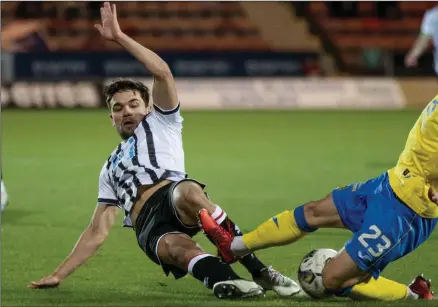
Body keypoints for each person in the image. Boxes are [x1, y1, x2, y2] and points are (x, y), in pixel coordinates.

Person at [201, 1, 438, 302]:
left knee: (332, 280)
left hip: (407, 212)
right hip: (391, 184)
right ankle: (235, 246)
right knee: (313, 211)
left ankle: (413, 295)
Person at [28, 2, 301, 300]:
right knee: (178, 250)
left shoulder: (163, 123)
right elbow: (98, 229)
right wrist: (59, 273)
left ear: (147, 108)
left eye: (134, 104)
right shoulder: (109, 168)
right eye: (118, 108)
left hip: (173, 197)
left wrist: (119, 37)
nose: (127, 111)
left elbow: (163, 73)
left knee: (189, 192)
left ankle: (257, 267)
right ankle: (224, 280)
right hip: (147, 225)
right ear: (111, 119)